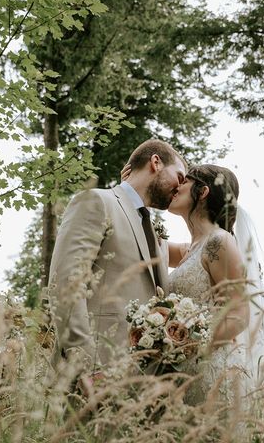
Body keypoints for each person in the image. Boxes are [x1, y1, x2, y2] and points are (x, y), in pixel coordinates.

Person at [123, 162, 264, 441]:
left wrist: (185, 346)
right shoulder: (190, 249)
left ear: (203, 191)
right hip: (184, 374)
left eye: (184, 181)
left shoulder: (220, 242)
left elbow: (238, 315)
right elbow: (142, 238)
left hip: (212, 373)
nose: (176, 186)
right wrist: (132, 188)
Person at [49, 139, 187, 372]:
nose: (179, 188)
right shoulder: (97, 201)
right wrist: (86, 365)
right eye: (180, 177)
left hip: (144, 380)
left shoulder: (153, 233)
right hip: (96, 371)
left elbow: (201, 248)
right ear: (156, 162)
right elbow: (66, 284)